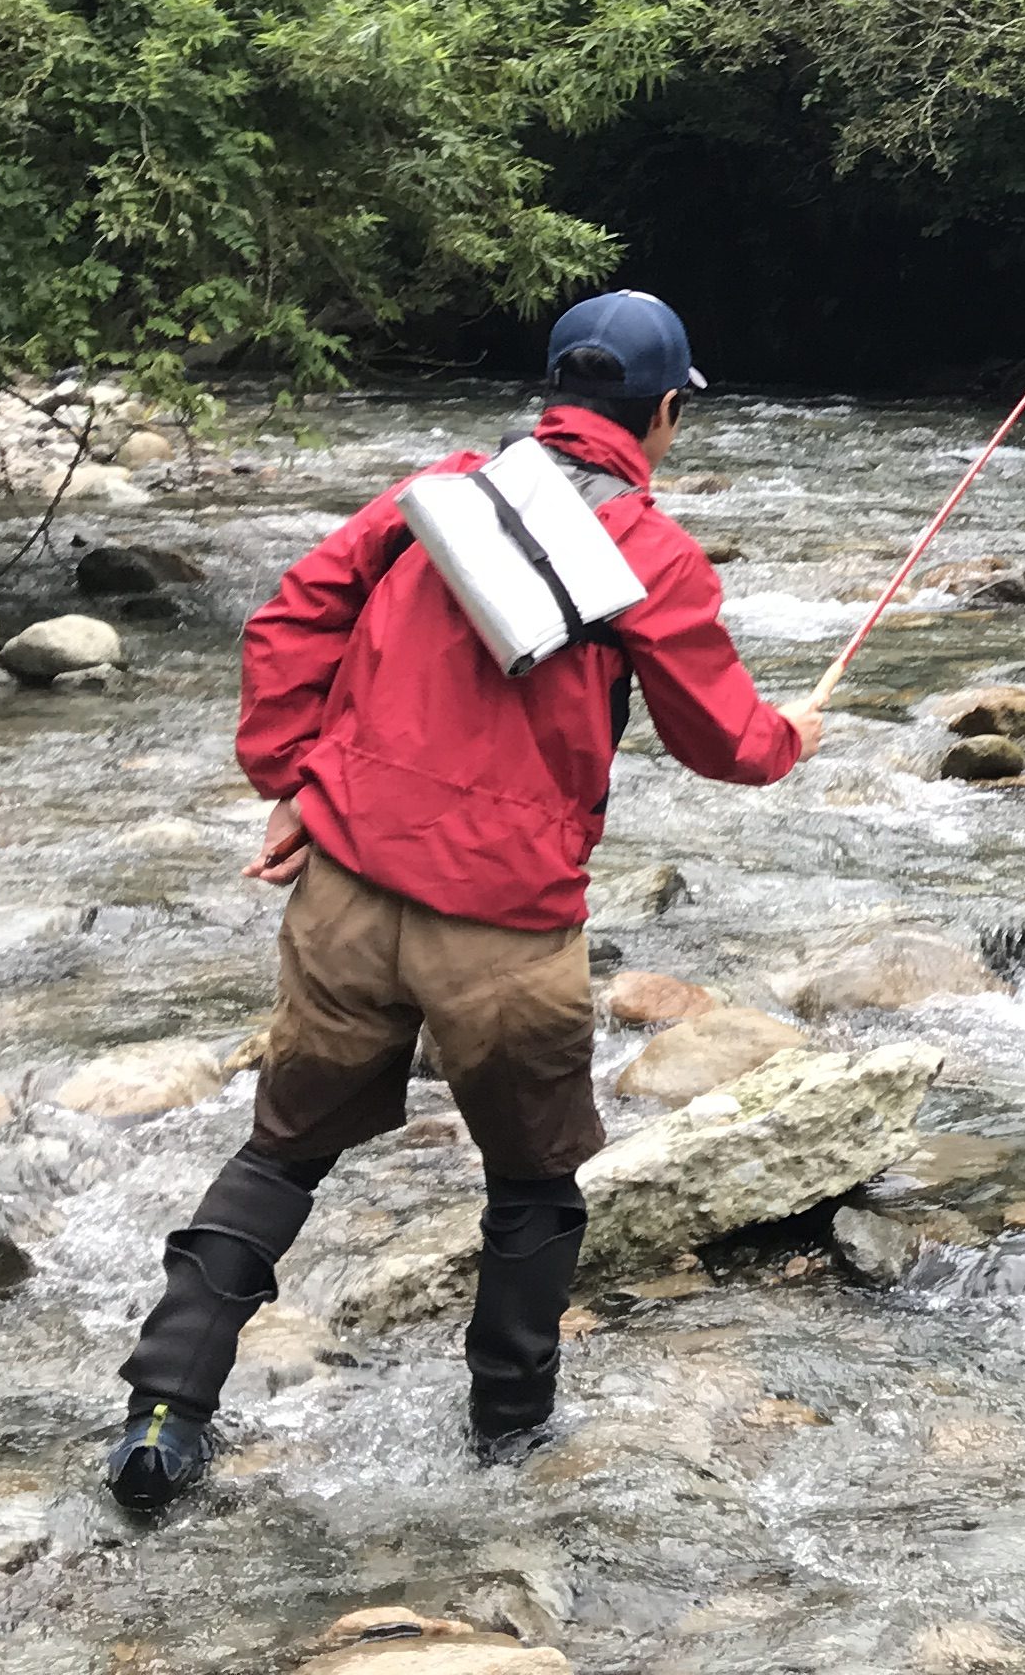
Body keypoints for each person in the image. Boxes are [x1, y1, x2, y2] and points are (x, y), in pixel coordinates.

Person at [103, 291, 813, 1515]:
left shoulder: (431, 497)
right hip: (506, 916)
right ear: (664, 411)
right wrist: (792, 736)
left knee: (283, 1151)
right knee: (533, 1182)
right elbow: (722, 742)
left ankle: (163, 1418)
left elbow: (286, 623)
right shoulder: (650, 550)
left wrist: (296, 780)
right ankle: (509, 1439)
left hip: (348, 882)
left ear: (553, 390)